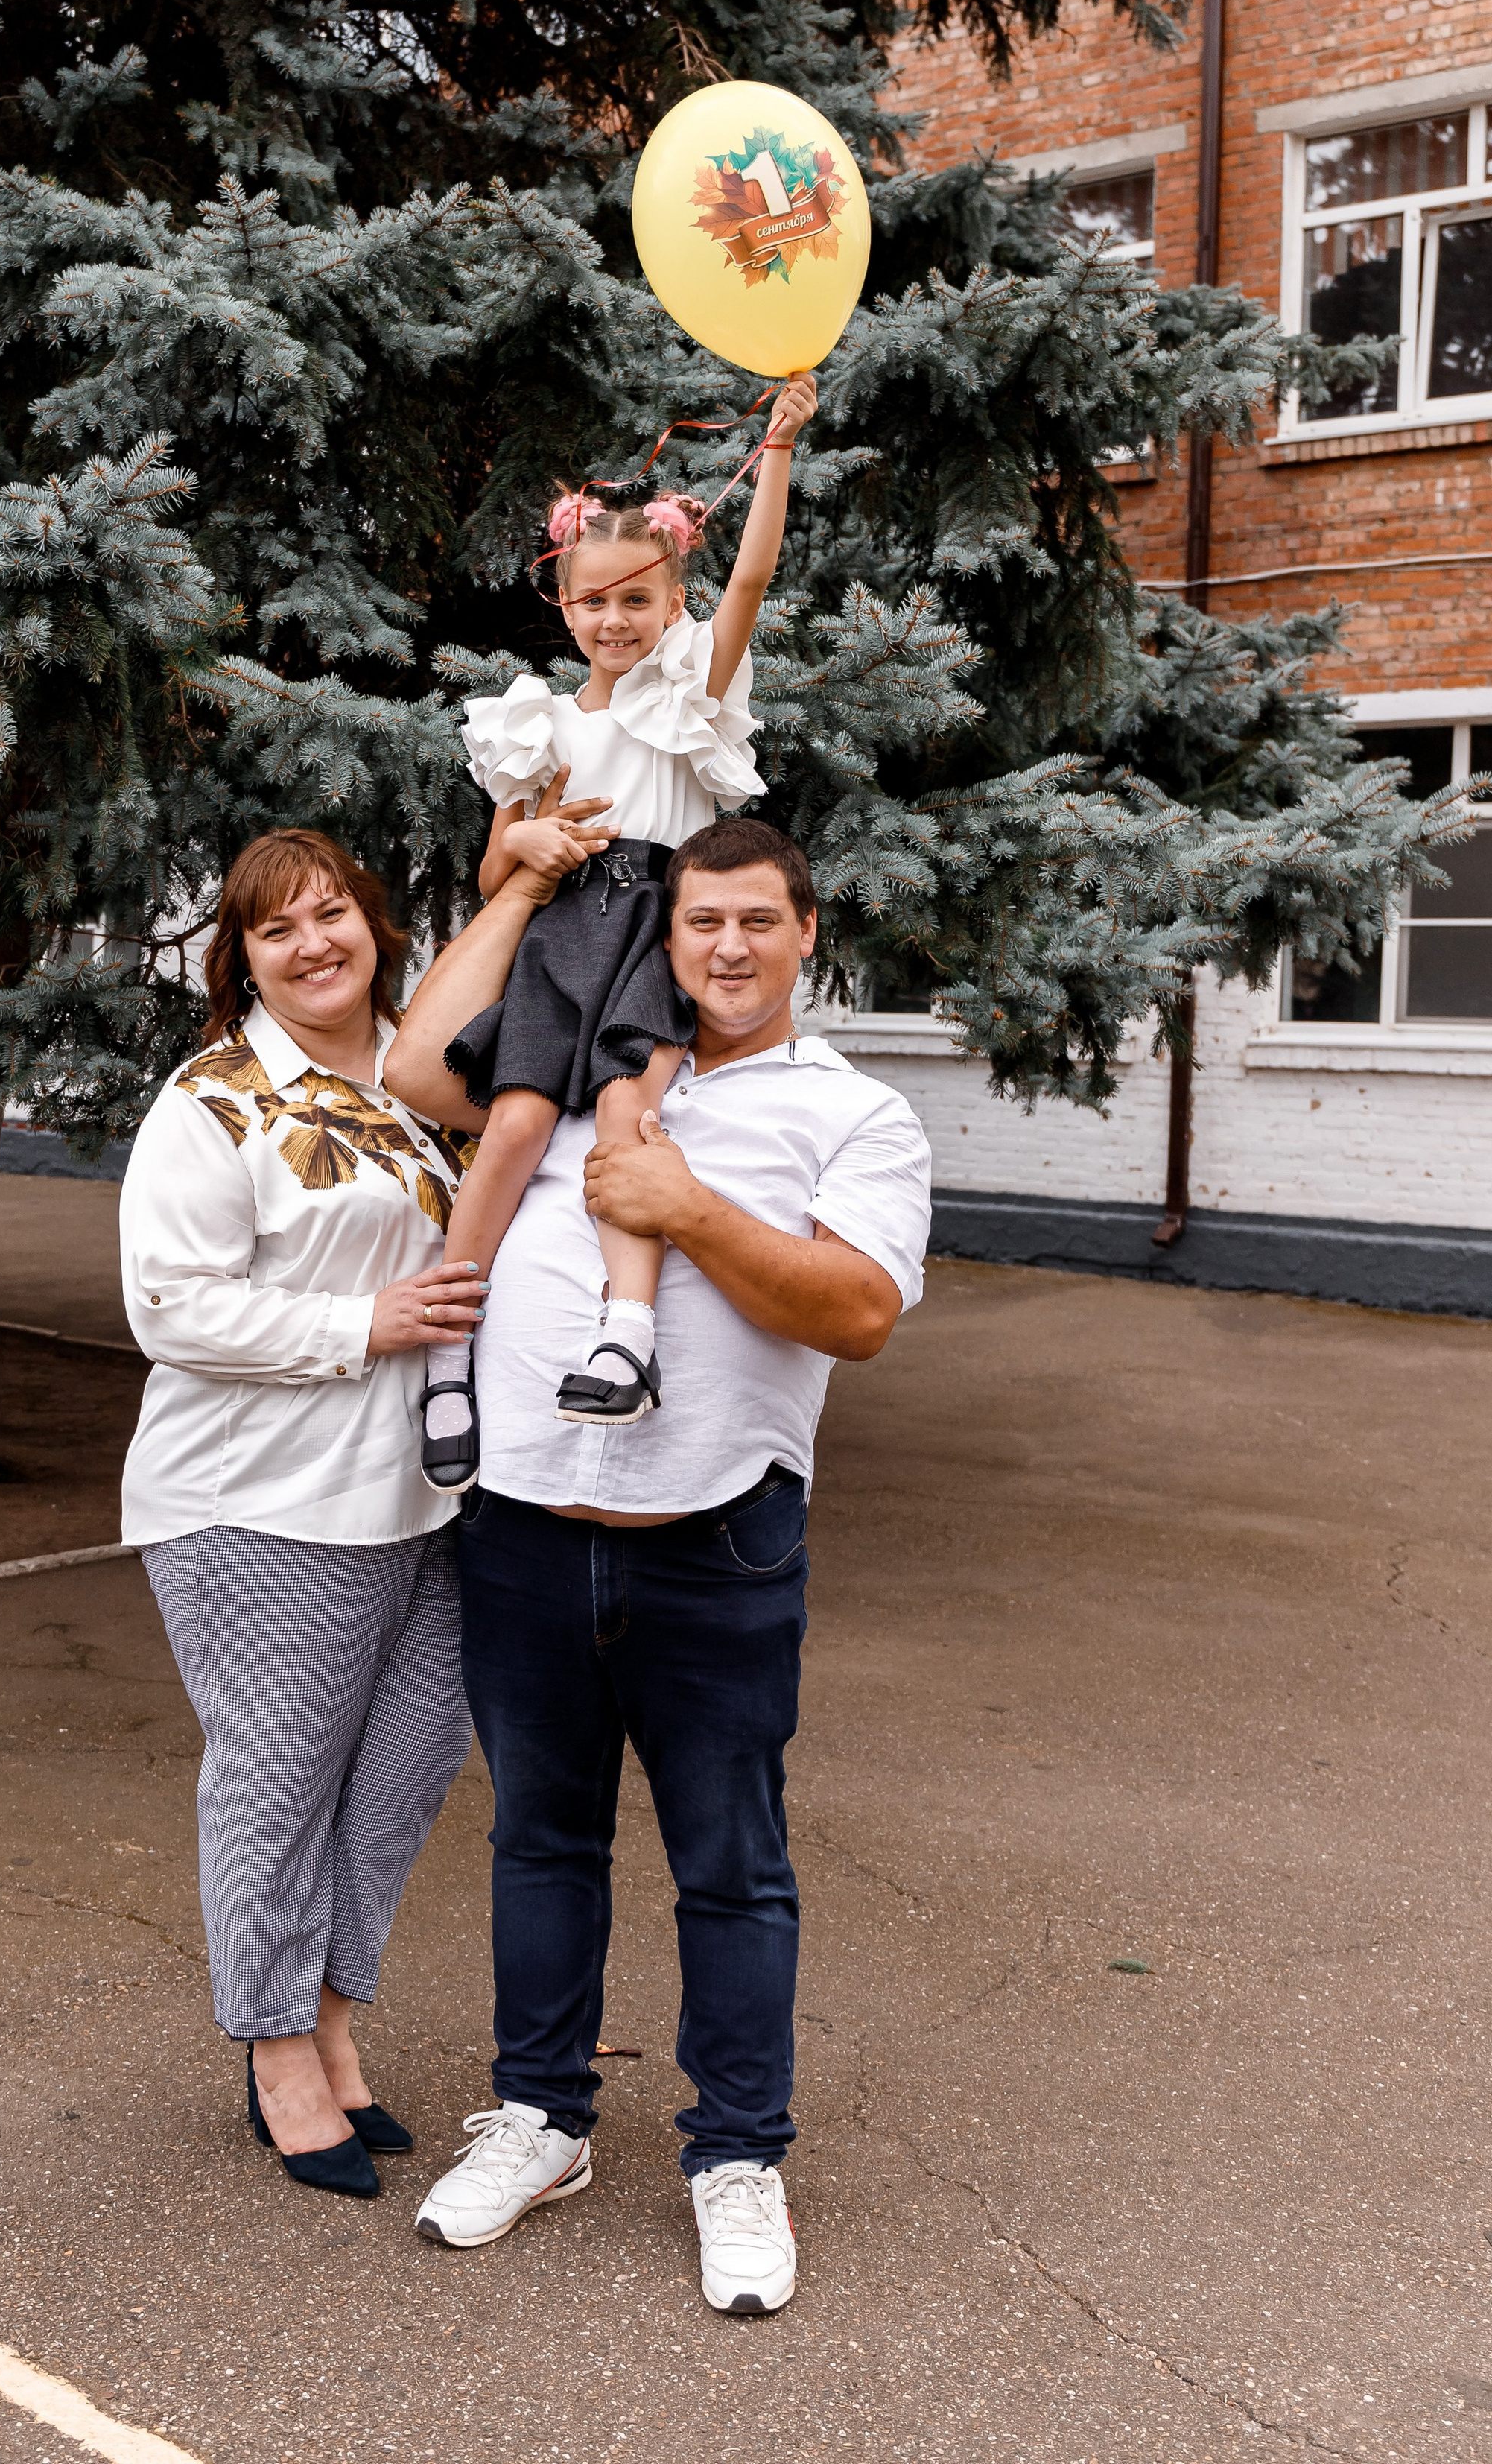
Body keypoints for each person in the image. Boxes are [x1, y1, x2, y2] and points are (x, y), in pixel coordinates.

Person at [383, 816, 932, 2313]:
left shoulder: (851, 1113)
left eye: (758, 921)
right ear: (667, 935)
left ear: (806, 931)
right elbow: (418, 1063)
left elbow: (858, 1310)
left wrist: (685, 1209)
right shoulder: (576, 1053)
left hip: (716, 1542)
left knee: (730, 1871)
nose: (729, 950)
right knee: (539, 1844)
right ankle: (541, 2120)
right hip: (521, 1528)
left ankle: (735, 2156)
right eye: (701, 924)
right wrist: (518, 885)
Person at [118, 829, 489, 2201]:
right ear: (244, 958)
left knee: (394, 1781)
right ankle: (276, 2052)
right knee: (277, 1789)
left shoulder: (425, 1080)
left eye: (333, 915)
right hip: (259, 1501)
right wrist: (368, 1323)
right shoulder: (213, 1102)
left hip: (430, 1499)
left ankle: (335, 2028)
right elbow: (169, 1306)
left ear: (375, 928)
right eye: (278, 931)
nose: (314, 944)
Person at [419, 371, 819, 1493]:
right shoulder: (536, 723)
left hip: (655, 926)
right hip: (562, 933)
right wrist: (530, 852)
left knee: (629, 1132)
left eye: (638, 602)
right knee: (510, 1130)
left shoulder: (693, 686)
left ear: (673, 602)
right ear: (563, 606)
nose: (615, 623)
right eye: (594, 603)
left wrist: (778, 452)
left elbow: (754, 575)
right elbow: (499, 860)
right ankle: (450, 1344)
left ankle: (624, 1333)